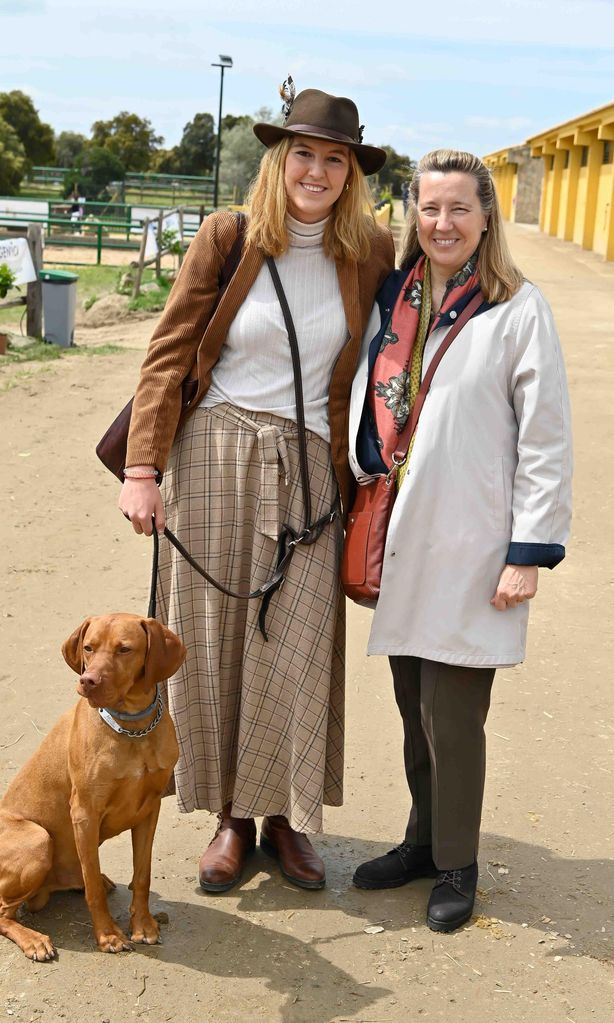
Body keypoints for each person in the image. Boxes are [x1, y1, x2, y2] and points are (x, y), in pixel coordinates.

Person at [118, 83, 395, 894]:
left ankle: (288, 817)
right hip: (211, 454)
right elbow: (169, 352)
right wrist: (142, 468)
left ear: (351, 173)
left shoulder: (372, 249)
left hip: (311, 465)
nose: (316, 170)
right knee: (210, 640)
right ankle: (230, 819)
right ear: (280, 160)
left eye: (333, 159)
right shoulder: (229, 236)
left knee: (300, 640)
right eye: (302, 153)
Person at [348, 149, 572, 932]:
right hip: (406, 534)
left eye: (458, 209)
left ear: (485, 219)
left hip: (476, 543)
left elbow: (545, 438)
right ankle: (420, 838)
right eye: (429, 208)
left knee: (454, 712)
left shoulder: (518, 308)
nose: (442, 223)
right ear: (414, 214)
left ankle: (458, 863)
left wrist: (528, 552)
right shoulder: (395, 298)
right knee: (413, 703)